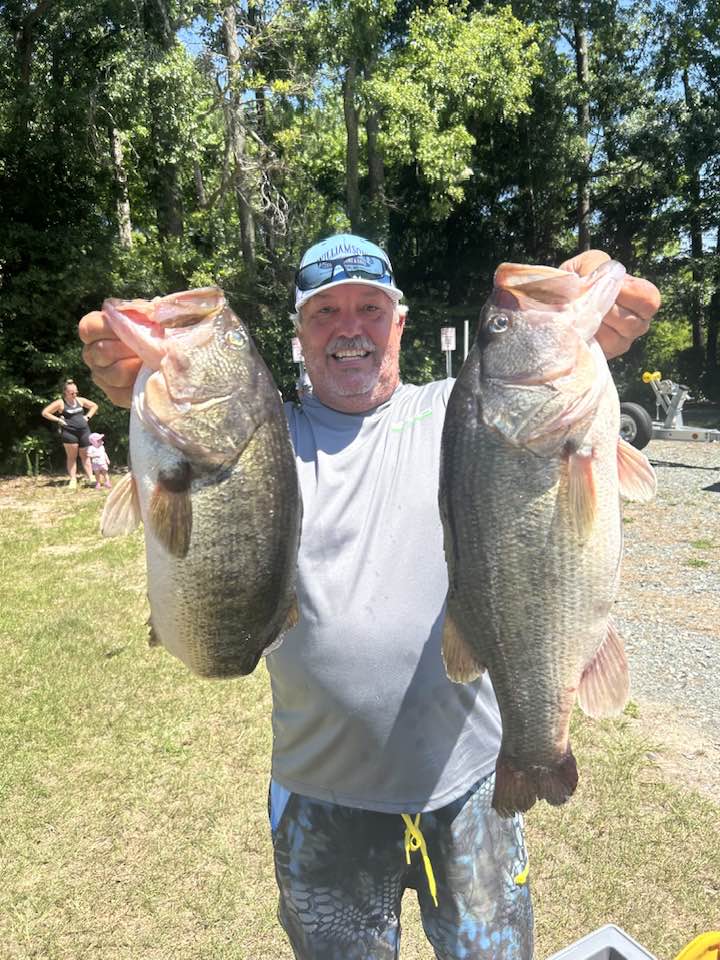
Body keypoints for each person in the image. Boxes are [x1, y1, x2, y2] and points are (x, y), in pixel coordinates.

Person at [78, 235, 661, 960]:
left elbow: (543, 393)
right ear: (298, 334)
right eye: (324, 312)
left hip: (473, 787)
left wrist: (594, 325)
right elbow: (192, 440)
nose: (349, 328)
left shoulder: (467, 412)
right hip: (320, 797)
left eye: (369, 309)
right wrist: (133, 379)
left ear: (400, 325)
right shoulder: (258, 436)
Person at [41, 378, 98, 489]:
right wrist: (59, 420)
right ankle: (73, 479)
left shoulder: (80, 400)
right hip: (69, 432)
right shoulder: (60, 403)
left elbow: (94, 406)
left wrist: (87, 417)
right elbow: (45, 413)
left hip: (84, 431)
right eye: (72, 392)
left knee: (85, 456)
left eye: (76, 392)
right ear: (65, 392)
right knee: (72, 456)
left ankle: (91, 477)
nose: (74, 394)